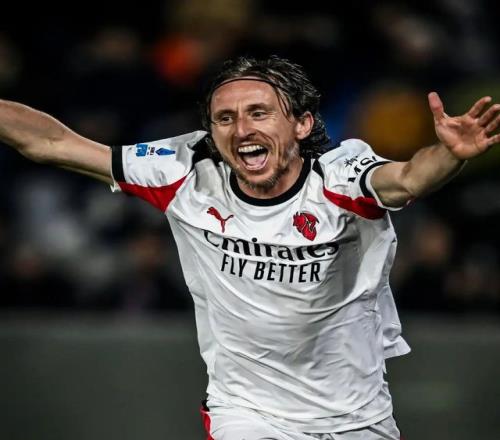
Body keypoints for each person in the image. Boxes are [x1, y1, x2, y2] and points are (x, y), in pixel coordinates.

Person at [1, 55, 499, 440]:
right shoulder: (182, 171)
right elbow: (53, 144)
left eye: (259, 113)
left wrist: (448, 156)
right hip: (247, 413)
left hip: (357, 415)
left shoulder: (340, 177)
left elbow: (407, 178)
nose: (242, 130)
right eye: (225, 118)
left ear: (301, 124)